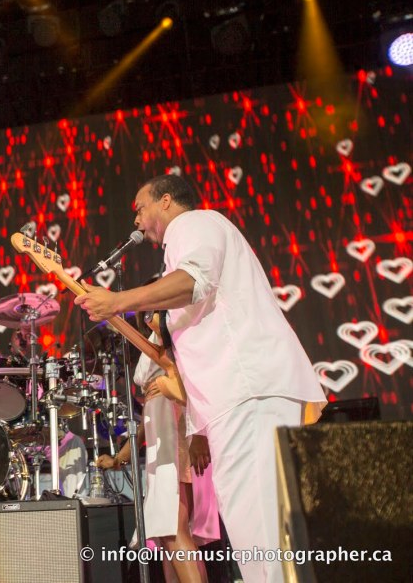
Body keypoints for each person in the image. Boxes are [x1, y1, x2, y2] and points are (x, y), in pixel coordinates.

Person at [75, 174, 326, 583]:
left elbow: (195, 281)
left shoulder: (192, 223)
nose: (135, 219)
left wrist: (117, 301)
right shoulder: (192, 238)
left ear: (166, 201)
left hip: (247, 390)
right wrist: (199, 428)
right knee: (264, 531)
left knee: (262, 531)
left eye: (140, 207)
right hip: (242, 395)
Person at [98, 307, 219, 583]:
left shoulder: (178, 334)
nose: (147, 317)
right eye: (146, 312)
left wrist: (199, 434)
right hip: (161, 436)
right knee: (169, 535)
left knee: (172, 528)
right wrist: (121, 456)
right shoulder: (154, 342)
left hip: (175, 434)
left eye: (154, 310)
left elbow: (197, 384)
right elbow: (149, 413)